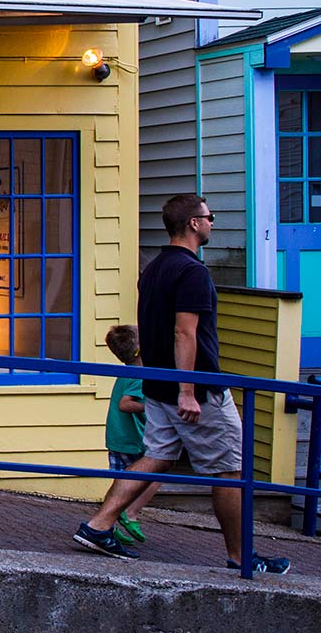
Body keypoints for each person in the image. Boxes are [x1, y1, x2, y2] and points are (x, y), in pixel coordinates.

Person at [74, 195, 293, 573]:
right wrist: (189, 390)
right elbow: (184, 332)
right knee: (229, 470)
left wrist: (169, 383)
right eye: (209, 217)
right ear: (193, 223)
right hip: (194, 389)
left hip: (158, 385)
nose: (212, 223)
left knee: (157, 456)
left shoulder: (154, 268)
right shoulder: (192, 273)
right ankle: (242, 558)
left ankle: (98, 525)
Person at [101, 323, 160, 544]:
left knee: (119, 483)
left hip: (117, 436)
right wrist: (153, 407)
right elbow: (126, 404)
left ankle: (108, 523)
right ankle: (131, 512)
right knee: (155, 475)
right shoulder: (140, 375)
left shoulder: (126, 371)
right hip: (134, 439)